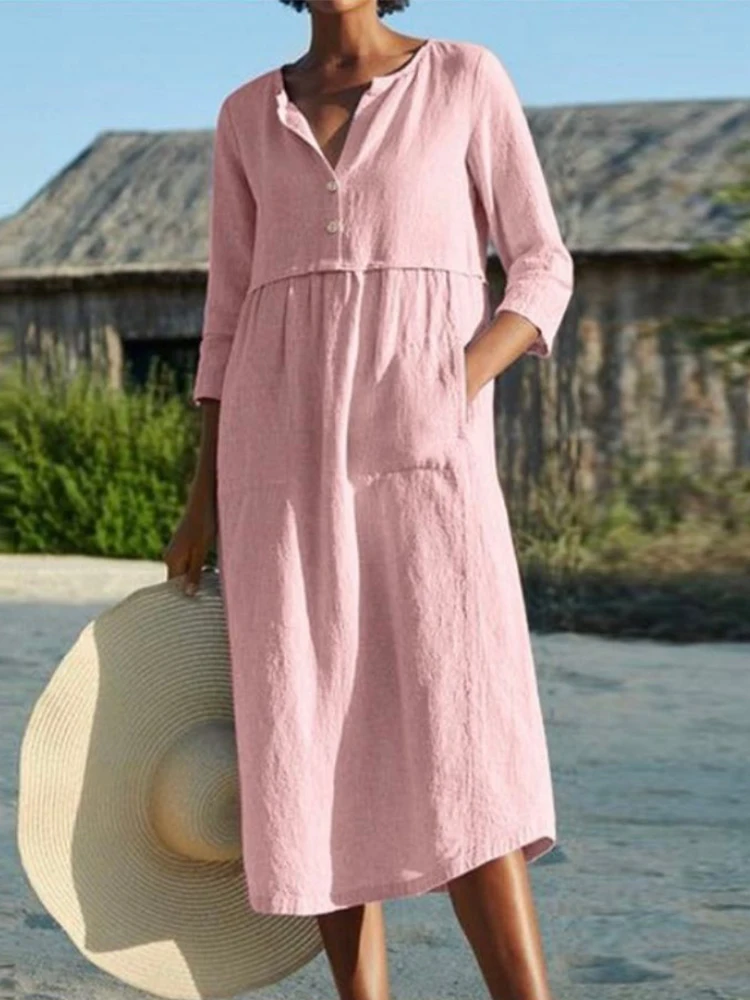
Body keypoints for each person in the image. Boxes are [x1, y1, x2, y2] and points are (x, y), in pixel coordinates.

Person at [163, 2, 574, 998]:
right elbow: (227, 315)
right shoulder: (246, 114)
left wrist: (453, 381)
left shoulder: (465, 76)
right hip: (276, 464)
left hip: (427, 456)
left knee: (461, 730)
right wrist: (201, 497)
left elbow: (542, 265)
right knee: (306, 725)